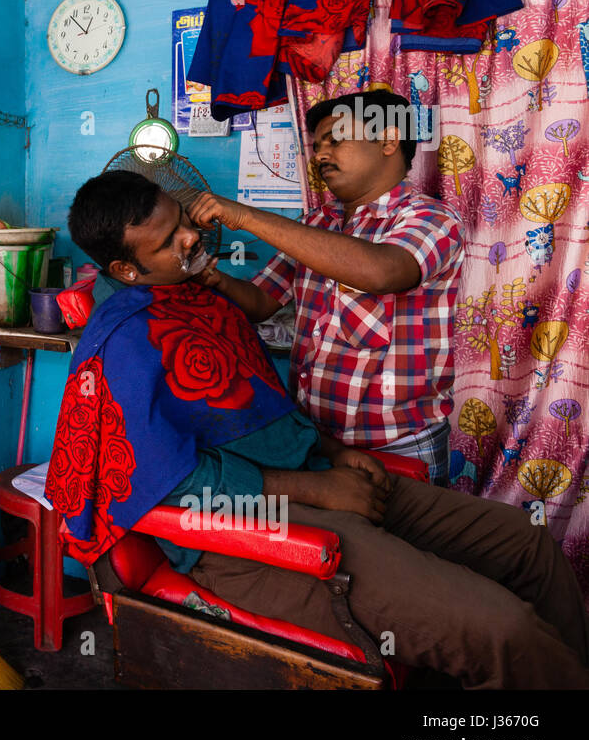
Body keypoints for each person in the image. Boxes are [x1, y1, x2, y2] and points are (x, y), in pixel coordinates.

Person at [45, 170, 589, 688]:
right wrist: (318, 490)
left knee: (530, 546)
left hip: (320, 473)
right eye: (168, 241)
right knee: (503, 632)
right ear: (127, 271)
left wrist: (330, 452)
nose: (191, 236)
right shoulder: (122, 342)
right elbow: (171, 484)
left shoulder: (207, 302)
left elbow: (264, 411)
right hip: (246, 532)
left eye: (183, 219)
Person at [186, 90, 462, 485]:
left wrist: (244, 216)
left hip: (397, 444)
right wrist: (210, 277)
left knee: (403, 545)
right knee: (341, 545)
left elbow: (381, 271)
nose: (320, 155)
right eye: (317, 146)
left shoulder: (430, 218)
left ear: (387, 141)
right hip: (318, 440)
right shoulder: (316, 223)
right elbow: (261, 302)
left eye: (336, 139)